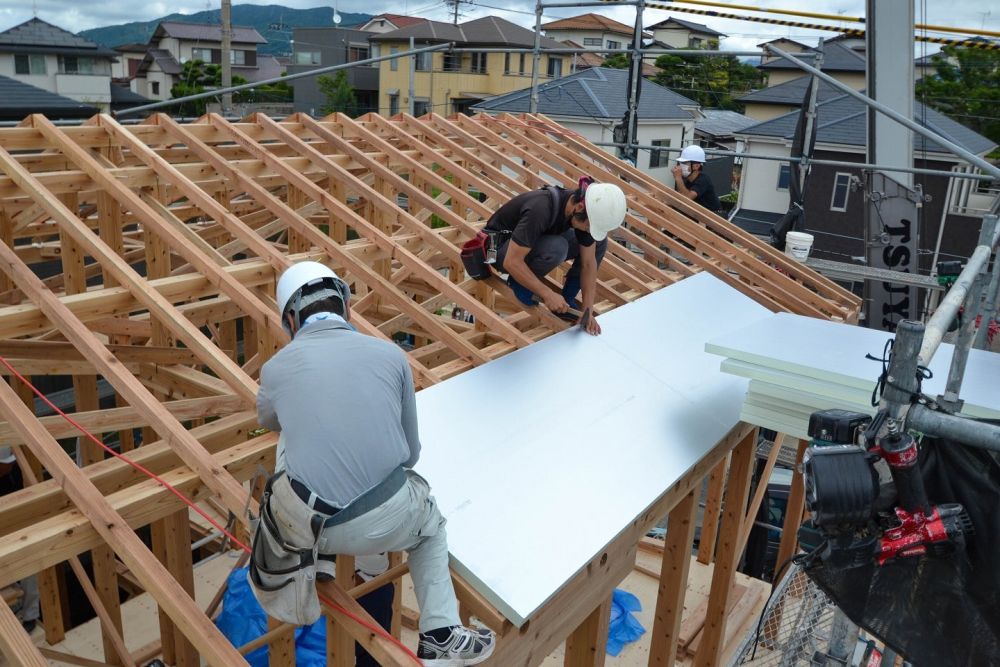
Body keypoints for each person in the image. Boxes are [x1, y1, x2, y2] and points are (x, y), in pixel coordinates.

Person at [256, 261, 495, 666]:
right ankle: (439, 631)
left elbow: (266, 420)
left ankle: (321, 563)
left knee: (290, 437)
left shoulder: (275, 368)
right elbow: (411, 452)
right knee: (428, 525)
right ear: (346, 308)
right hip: (388, 524)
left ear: (292, 319)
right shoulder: (390, 354)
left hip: (312, 532)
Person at [484, 178, 627, 336]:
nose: (588, 230)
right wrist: (547, 294)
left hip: (532, 242)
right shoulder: (541, 209)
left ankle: (567, 298)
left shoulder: (580, 212)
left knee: (599, 243)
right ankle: (519, 282)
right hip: (500, 250)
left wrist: (587, 309)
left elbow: (588, 263)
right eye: (588, 226)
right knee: (557, 247)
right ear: (579, 207)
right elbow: (511, 261)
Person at [0, 447, 40, 635]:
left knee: (29, 571)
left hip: (21, 524)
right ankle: (12, 612)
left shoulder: (17, 469)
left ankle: (30, 615)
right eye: (5, 464)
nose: (9, 466)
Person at [671, 145, 721, 213]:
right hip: (699, 216)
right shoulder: (686, 180)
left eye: (685, 163)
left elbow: (687, 198)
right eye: (681, 163)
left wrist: (678, 178)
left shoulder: (703, 180)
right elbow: (680, 198)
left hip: (713, 218)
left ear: (696, 166)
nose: (681, 166)